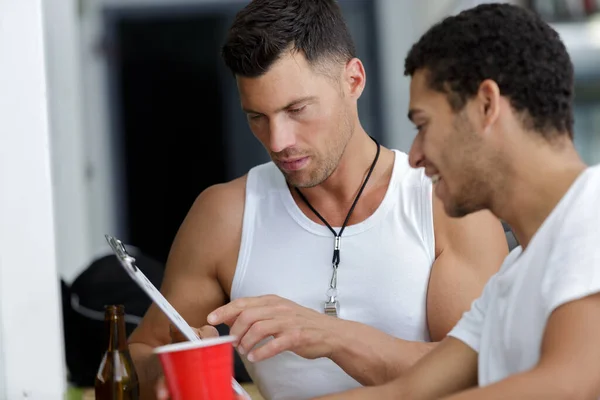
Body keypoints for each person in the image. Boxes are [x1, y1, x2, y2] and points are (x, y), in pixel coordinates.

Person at [127, 1, 509, 399]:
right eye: (256, 116)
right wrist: (173, 367)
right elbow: (137, 354)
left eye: (297, 109)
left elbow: (484, 376)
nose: (278, 142)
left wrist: (332, 337)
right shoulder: (224, 216)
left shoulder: (444, 204)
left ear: (353, 80)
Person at [314, 3, 600, 400]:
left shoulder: (593, 213)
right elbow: (408, 392)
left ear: (486, 105)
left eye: (423, 125)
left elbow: (568, 385)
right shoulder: (511, 279)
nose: (413, 155)